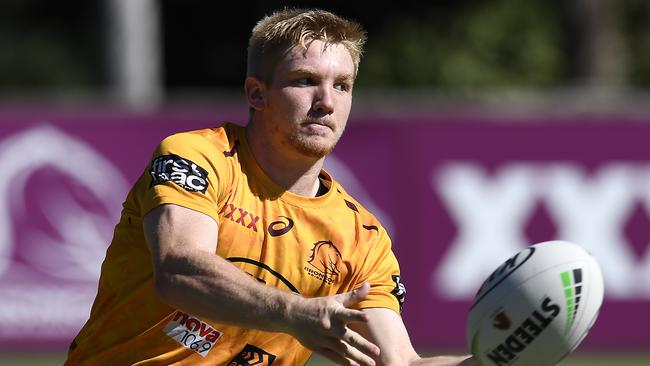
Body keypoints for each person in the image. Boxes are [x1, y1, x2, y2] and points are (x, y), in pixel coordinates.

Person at [65, 8, 477, 366]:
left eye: (342, 85)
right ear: (257, 93)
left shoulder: (363, 239)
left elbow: (400, 361)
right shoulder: (198, 155)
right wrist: (294, 312)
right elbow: (180, 270)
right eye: (304, 80)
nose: (326, 101)